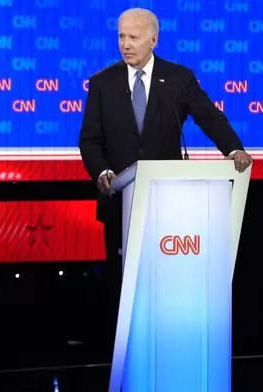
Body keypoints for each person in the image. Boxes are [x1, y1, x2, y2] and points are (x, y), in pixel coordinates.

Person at [78, 8, 252, 358]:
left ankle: (170, 349)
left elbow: (208, 116)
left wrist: (233, 149)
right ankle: (124, 355)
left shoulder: (177, 79)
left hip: (170, 207)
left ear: (153, 40)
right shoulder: (102, 83)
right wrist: (102, 173)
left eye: (133, 37)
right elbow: (90, 141)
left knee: (164, 284)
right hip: (120, 204)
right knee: (121, 284)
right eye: (121, 37)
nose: (125, 44)